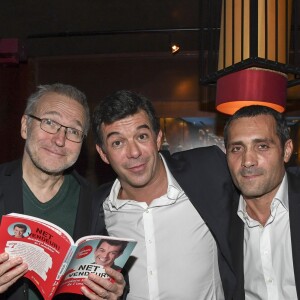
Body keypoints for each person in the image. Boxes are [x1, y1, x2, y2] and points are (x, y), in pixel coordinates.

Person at [91, 90, 237, 299]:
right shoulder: (97, 207)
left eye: (142, 136)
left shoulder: (208, 170)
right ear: (103, 154)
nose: (134, 152)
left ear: (158, 139)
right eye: (118, 143)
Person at [0, 83, 125, 300]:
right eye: (49, 122)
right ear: (25, 126)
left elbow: (113, 278)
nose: (59, 140)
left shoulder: (97, 203)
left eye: (74, 131)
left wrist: (114, 293)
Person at [223, 105, 300, 299]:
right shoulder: (218, 217)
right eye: (237, 148)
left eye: (262, 146)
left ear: (287, 150)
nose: (247, 161)